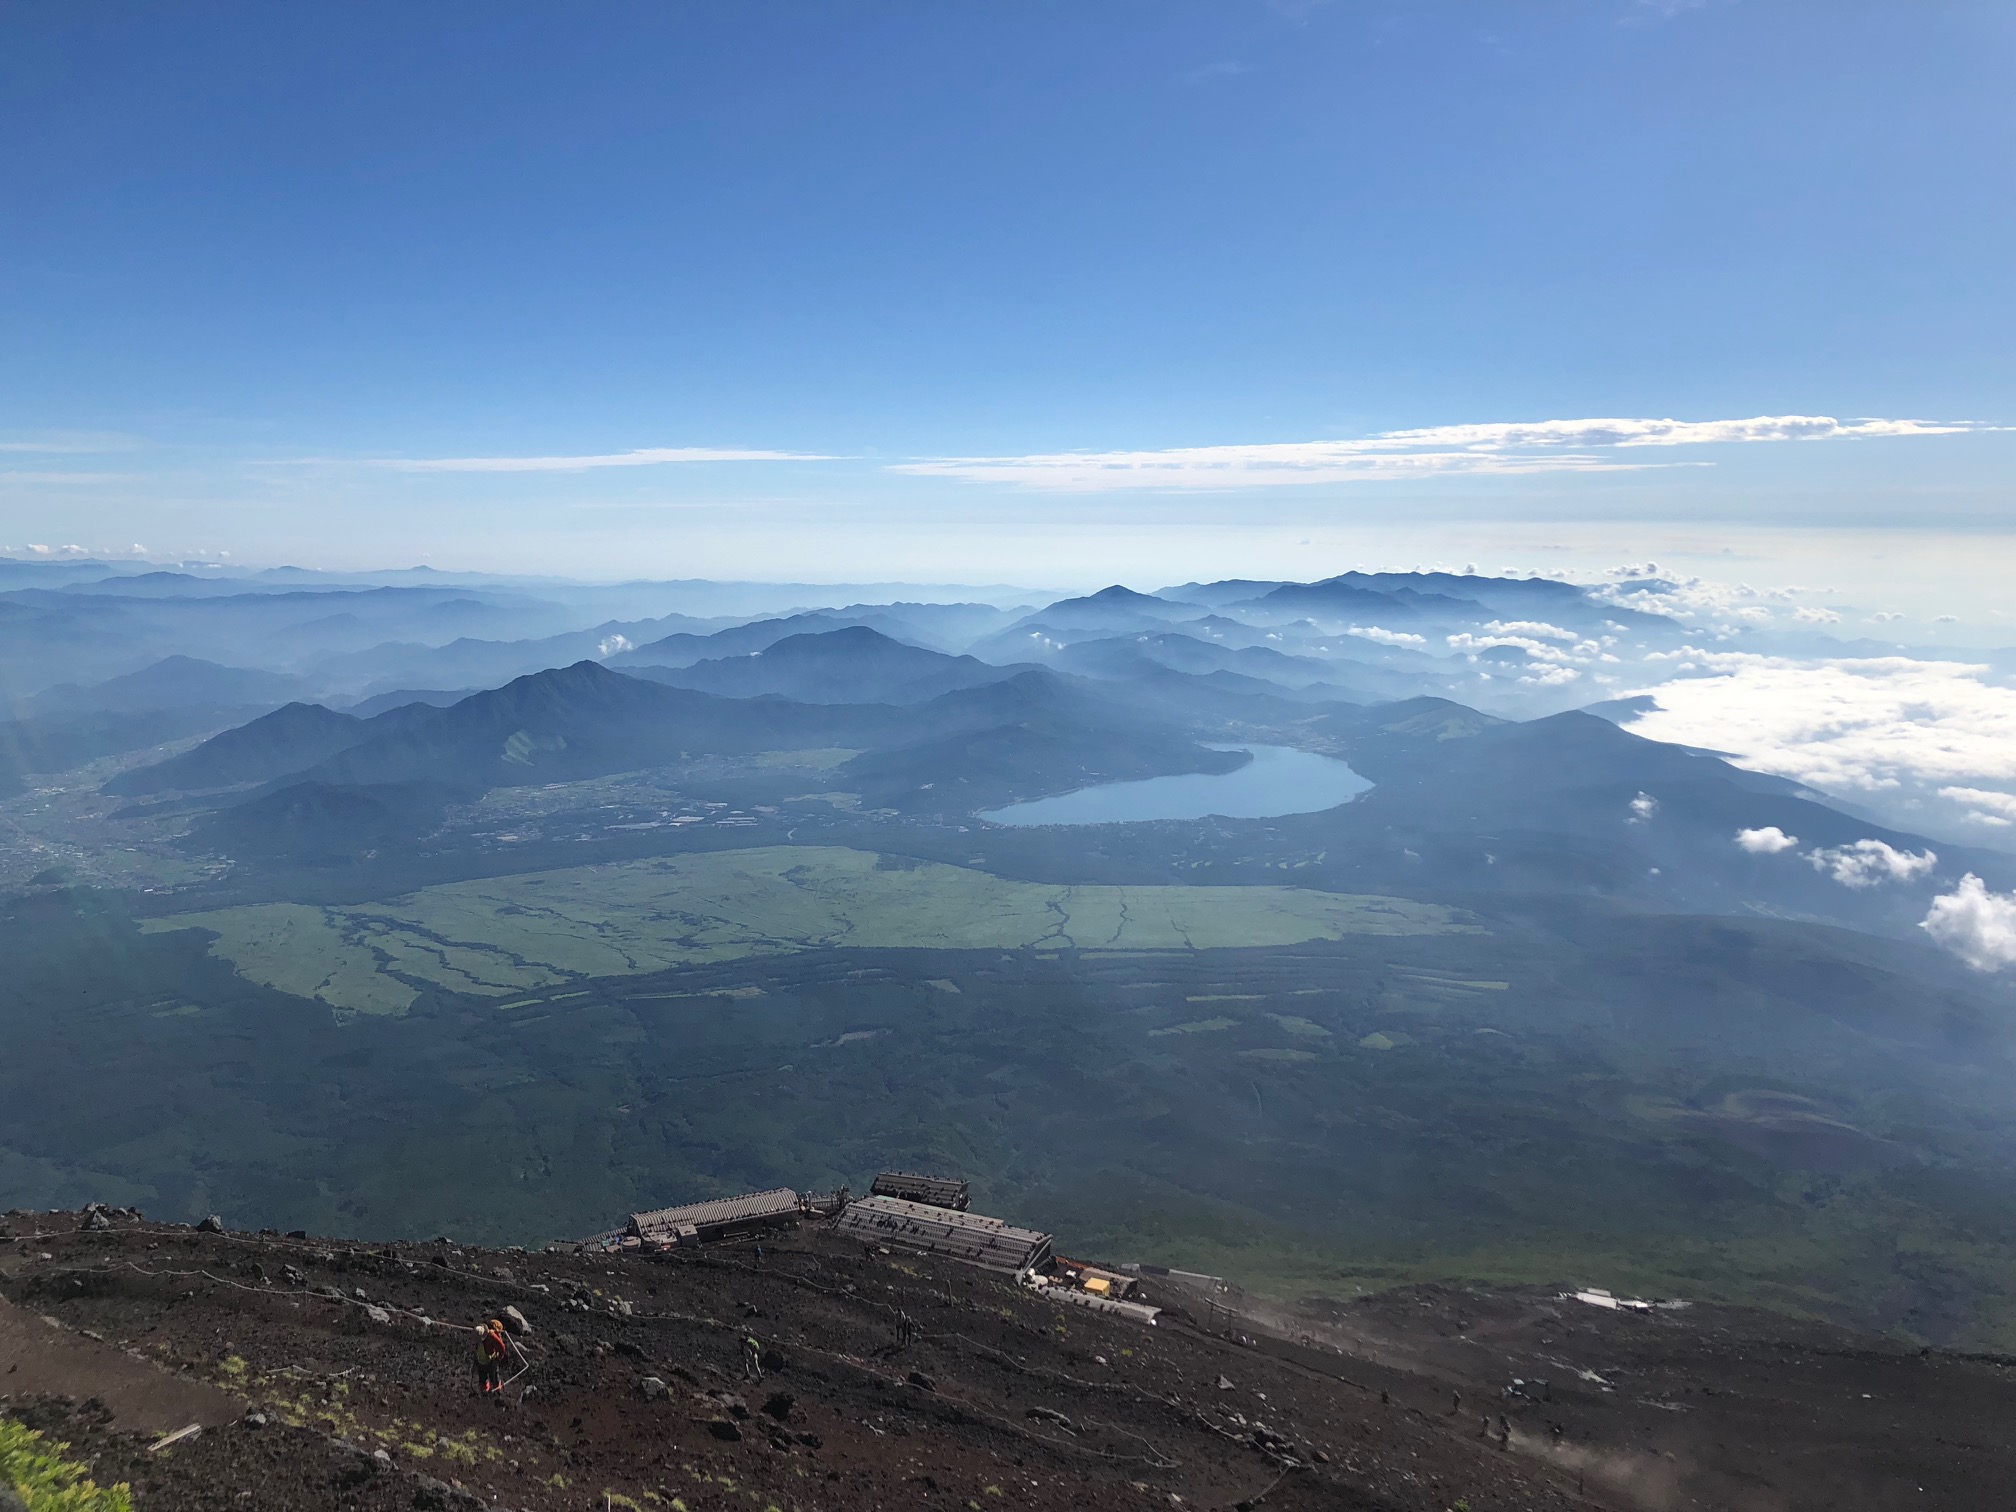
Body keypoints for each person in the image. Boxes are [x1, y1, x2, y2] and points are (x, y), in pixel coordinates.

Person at [475, 1318, 509, 1395]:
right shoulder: (480, 1333)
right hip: (481, 1359)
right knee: (483, 1376)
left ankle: (496, 1390)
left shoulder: (492, 1336)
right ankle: (484, 1390)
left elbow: (502, 1347)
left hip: (490, 1359)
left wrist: (499, 1357)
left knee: (494, 1376)